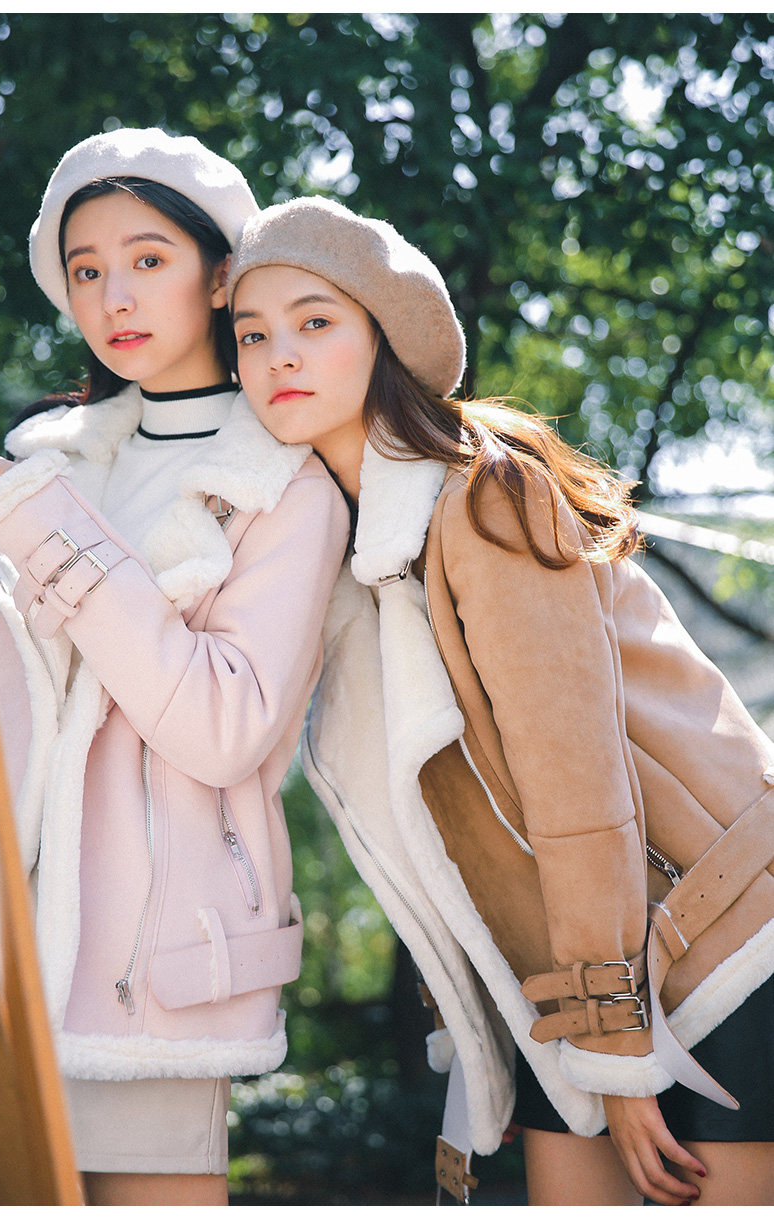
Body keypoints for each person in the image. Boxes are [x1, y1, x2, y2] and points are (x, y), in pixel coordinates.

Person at [225, 195, 774, 1207]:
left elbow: (576, 787)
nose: (278, 356)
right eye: (251, 334)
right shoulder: (350, 560)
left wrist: (618, 1044)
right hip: (572, 983)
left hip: (717, 946)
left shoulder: (484, 494)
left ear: (383, 337)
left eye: (314, 321)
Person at [0, 133, 350, 1206]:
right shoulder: (47, 462)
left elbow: (223, 727)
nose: (115, 296)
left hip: (150, 978)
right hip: (5, 957)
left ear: (220, 274)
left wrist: (48, 535)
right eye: (87, 269)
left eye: (148, 259)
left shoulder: (284, 481)